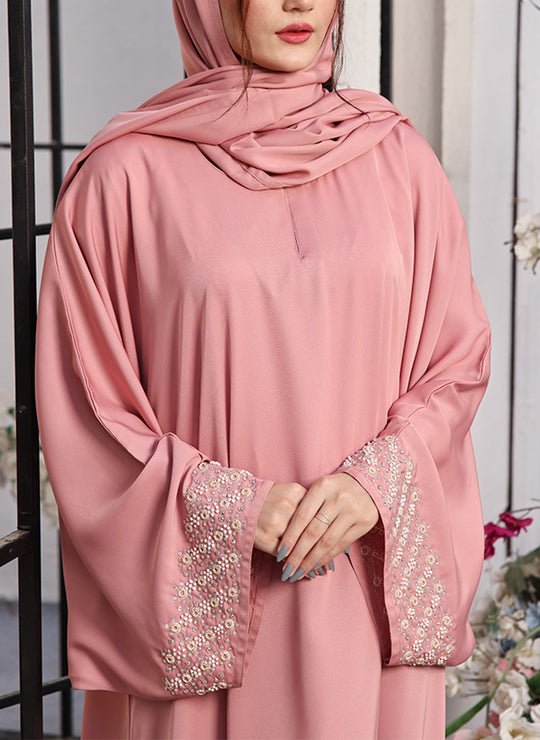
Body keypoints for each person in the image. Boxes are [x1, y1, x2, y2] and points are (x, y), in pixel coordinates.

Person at [34, 0, 492, 738]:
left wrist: (379, 483)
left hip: (363, 595)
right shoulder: (122, 179)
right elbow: (90, 413)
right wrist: (229, 508)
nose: (300, 2)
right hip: (211, 605)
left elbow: (456, 361)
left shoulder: (398, 159)